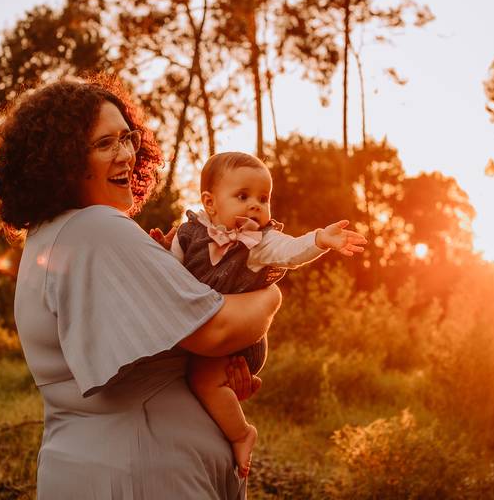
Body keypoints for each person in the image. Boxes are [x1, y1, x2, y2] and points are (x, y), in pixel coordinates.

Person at [0, 76, 282, 499]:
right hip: (142, 472)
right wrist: (271, 295)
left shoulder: (49, 237)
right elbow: (217, 329)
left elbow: (160, 351)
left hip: (99, 465)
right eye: (105, 144)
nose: (126, 154)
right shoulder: (95, 229)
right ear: (62, 160)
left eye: (127, 138)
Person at [150, 152, 367, 477]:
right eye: (242, 196)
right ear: (210, 203)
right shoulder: (187, 234)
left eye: (263, 199)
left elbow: (290, 251)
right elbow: (169, 273)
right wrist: (158, 252)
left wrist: (320, 239)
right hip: (204, 329)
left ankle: (241, 433)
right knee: (186, 374)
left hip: (239, 340)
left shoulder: (259, 243)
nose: (255, 205)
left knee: (202, 378)